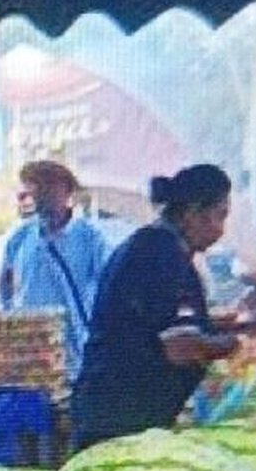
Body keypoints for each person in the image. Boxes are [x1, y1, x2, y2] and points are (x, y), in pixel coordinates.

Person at [70, 164, 241, 451]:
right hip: (122, 420)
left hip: (117, 412)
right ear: (191, 213)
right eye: (219, 216)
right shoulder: (160, 256)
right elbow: (180, 347)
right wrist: (236, 346)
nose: (220, 230)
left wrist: (224, 327)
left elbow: (158, 324)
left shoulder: (154, 247)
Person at [0, 161, 112, 381]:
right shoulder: (20, 237)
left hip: (74, 352)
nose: (42, 195)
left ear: (67, 191)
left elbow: (109, 287)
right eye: (36, 188)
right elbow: (6, 285)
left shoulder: (90, 238)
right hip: (28, 351)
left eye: (49, 188)